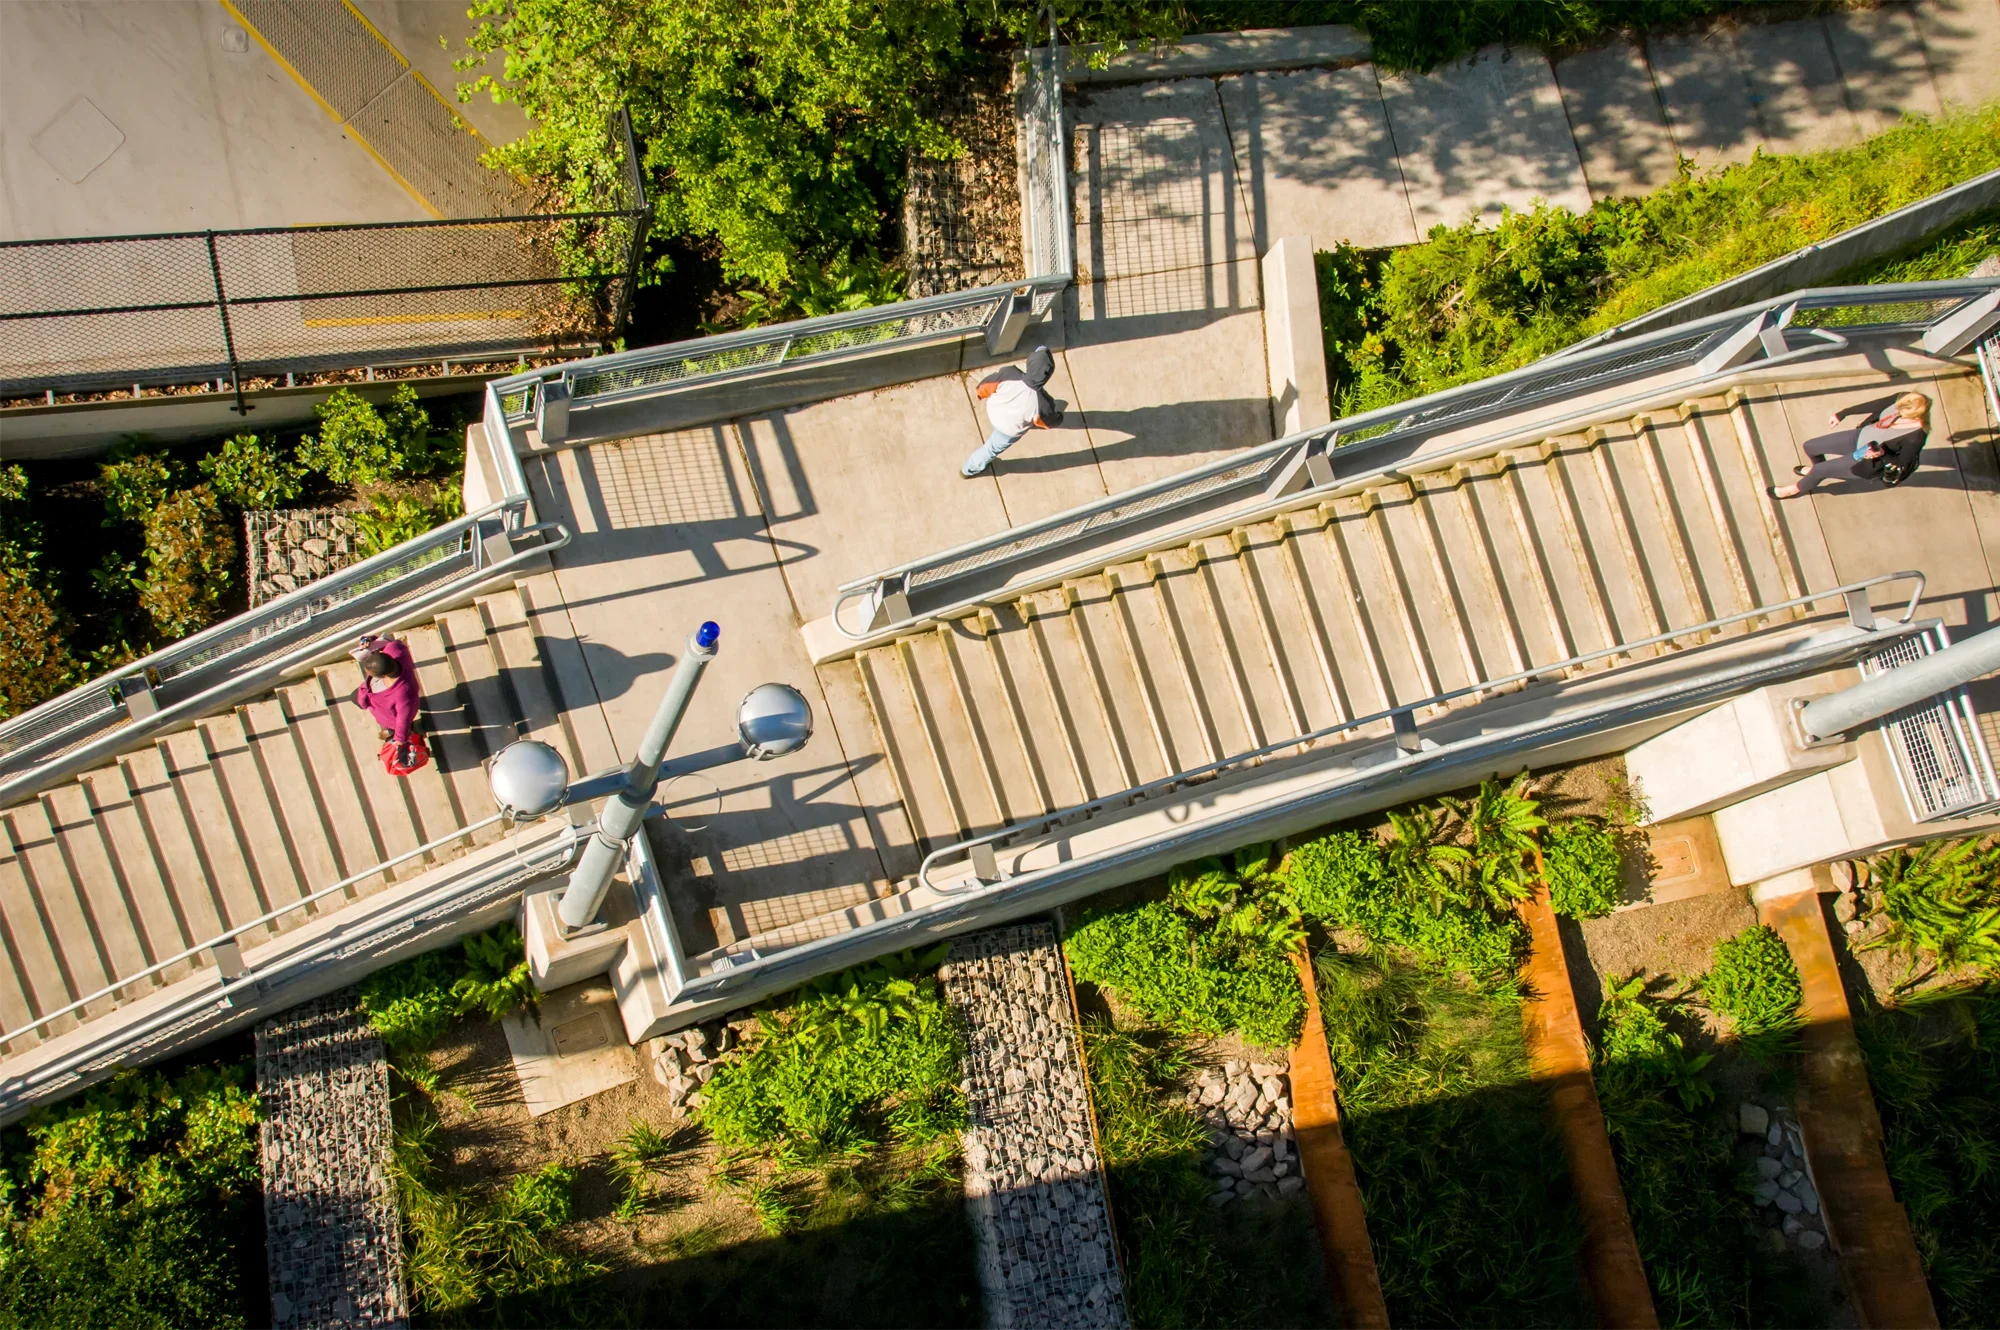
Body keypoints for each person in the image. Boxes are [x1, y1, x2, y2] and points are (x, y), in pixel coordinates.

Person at [1769, 391, 1930, 500]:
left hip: (1866, 459)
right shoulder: (1903, 398)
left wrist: (1882, 454)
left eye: (1902, 414)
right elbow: (1875, 405)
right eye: (1898, 409)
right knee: (1810, 446)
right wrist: (1843, 413)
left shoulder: (1916, 437)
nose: (1897, 413)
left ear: (1917, 415)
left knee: (1820, 470)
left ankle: (1793, 490)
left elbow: (1901, 463)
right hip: (1859, 436)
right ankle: (1818, 473)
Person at [962, 345, 1064, 478]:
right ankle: (968, 470)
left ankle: (968, 470)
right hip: (1008, 431)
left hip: (994, 412)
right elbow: (1047, 423)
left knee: (989, 449)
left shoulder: (1009, 373)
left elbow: (983, 387)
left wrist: (980, 395)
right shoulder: (1044, 404)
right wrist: (1059, 417)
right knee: (991, 449)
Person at [352, 634, 422, 764]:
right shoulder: (396, 649)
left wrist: (400, 741)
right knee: (354, 698)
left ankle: (395, 732)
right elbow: (386, 640)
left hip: (390, 717)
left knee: (398, 729)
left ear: (382, 676)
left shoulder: (403, 694)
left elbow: (403, 718)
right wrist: (369, 640)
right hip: (371, 697)